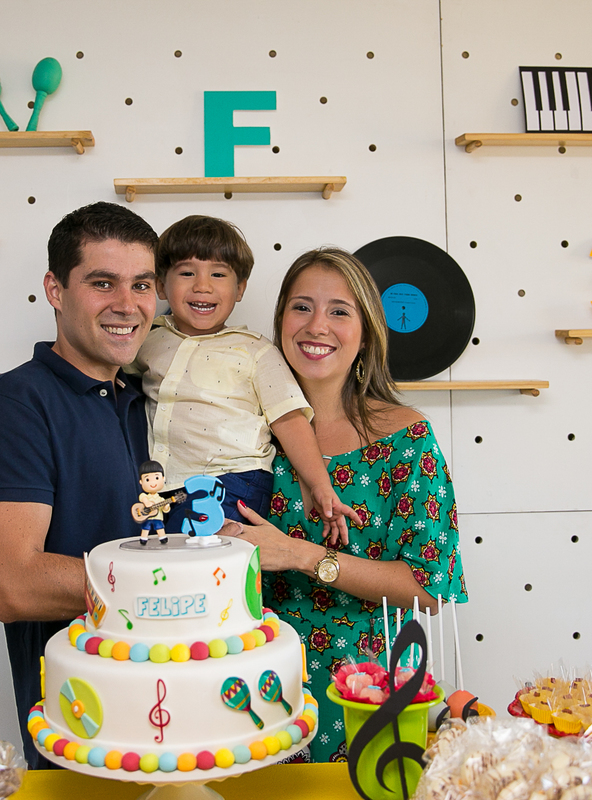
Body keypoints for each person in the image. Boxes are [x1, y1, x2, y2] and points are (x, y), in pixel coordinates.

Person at [222, 247, 468, 763]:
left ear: (367, 332)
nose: (317, 326)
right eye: (301, 307)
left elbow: (428, 589)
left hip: (364, 694)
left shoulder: (406, 438)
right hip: (245, 690)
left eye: (339, 311)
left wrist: (301, 554)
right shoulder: (238, 430)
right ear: (280, 320)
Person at [0, 201, 159, 768]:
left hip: (170, 709)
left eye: (142, 285)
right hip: (83, 729)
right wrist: (173, 588)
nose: (127, 305)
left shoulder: (141, 400)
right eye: (102, 283)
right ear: (55, 290)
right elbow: (14, 584)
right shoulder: (13, 406)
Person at [130, 215, 356, 543]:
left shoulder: (255, 351)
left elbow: (290, 421)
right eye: (187, 273)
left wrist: (319, 486)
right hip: (168, 487)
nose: (202, 286)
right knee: (157, 551)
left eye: (218, 274)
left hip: (231, 480)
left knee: (194, 553)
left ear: (240, 289)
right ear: (161, 285)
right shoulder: (147, 340)